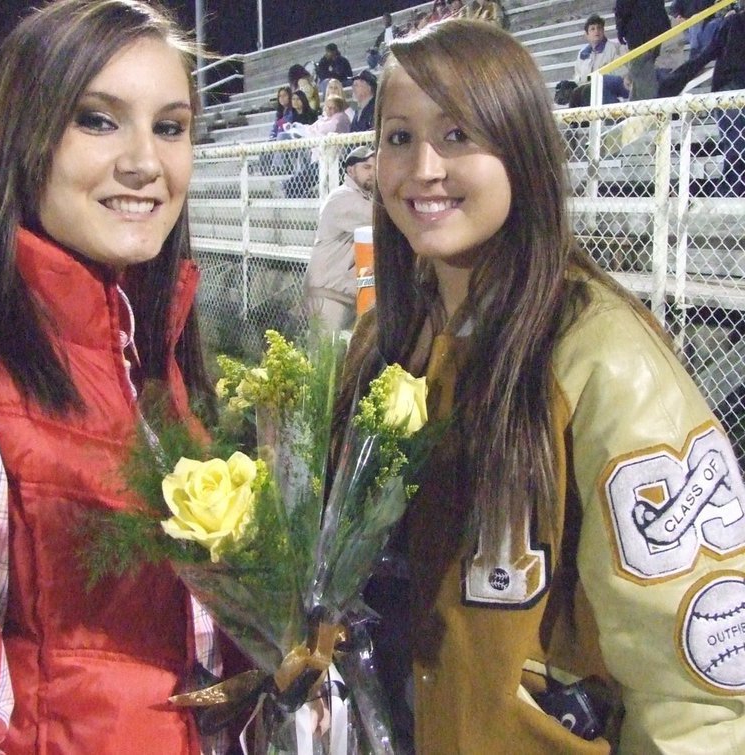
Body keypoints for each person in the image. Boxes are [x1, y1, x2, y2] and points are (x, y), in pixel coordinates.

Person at [333, 18, 745, 753]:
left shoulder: (605, 356)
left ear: (520, 147)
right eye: (398, 137)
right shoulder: (381, 341)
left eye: (457, 134)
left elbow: (695, 694)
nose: (423, 168)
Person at [0, 1, 227, 752]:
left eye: (170, 127)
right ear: (20, 138)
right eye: (98, 120)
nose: (145, 161)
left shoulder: (148, 355)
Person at [659, 3, 745, 196]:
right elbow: (706, 54)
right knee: (736, 151)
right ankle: (729, 195)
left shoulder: (732, 22)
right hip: (730, 91)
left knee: (736, 151)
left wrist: (672, 82)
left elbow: (706, 55)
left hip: (728, 91)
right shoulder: (733, 22)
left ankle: (729, 195)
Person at [303, 146, 375, 332]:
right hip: (328, 294)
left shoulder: (364, 198)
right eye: (366, 167)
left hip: (344, 293)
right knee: (326, 350)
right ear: (351, 170)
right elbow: (380, 217)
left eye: (375, 168)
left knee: (346, 350)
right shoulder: (342, 197)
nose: (372, 173)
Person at [561, 14, 630, 107]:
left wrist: (597, 77)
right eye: (592, 29)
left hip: (612, 86)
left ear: (603, 31)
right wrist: (573, 84)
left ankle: (614, 114)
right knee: (576, 93)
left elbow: (623, 71)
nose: (596, 31)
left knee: (593, 88)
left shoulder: (615, 47)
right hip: (589, 89)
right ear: (587, 35)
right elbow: (577, 75)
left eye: (599, 28)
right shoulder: (582, 53)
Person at [615, 0, 671, 99]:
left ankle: (647, 105)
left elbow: (622, 9)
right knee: (641, 74)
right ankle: (640, 105)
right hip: (654, 31)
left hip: (640, 34)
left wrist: (620, 30)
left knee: (642, 73)